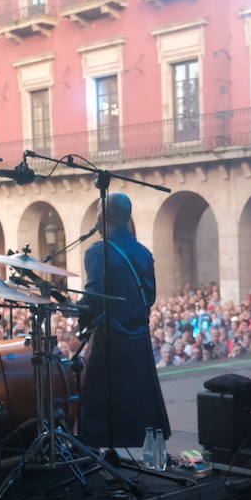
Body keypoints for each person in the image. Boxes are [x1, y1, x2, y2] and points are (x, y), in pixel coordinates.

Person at [77, 192, 170, 450]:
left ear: (103, 217)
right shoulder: (143, 252)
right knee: (135, 398)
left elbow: (94, 297)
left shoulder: (99, 251)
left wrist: (73, 311)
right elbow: (149, 297)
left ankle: (93, 456)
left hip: (111, 342)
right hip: (138, 337)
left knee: (96, 405)